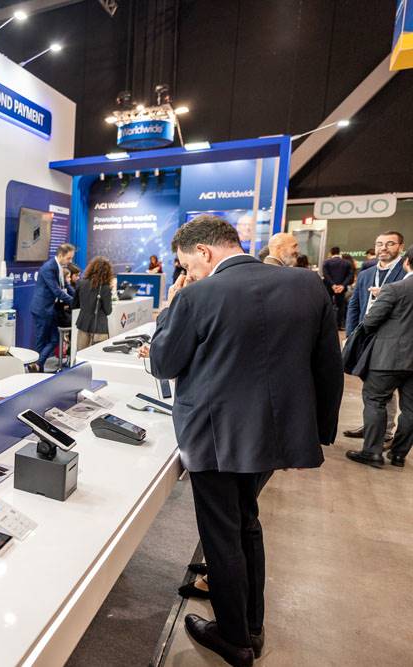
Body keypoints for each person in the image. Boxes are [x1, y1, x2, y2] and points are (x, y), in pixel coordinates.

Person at [149, 215, 342, 667]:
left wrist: (171, 307)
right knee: (246, 523)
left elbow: (163, 363)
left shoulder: (196, 295)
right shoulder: (306, 285)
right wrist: (316, 432)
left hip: (213, 437)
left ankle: (234, 638)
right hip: (275, 433)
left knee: (222, 536)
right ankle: (252, 627)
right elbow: (328, 365)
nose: (188, 273)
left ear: (203, 251)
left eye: (187, 265)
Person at [345, 251, 413, 469]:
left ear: (406, 262)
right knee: (411, 409)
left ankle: (372, 452)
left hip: (388, 357)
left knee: (375, 400)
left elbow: (370, 321)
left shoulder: (394, 289)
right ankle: (399, 454)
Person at [30, 243, 76, 371]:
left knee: (55, 339)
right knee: (41, 341)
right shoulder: (48, 268)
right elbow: (57, 291)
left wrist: (78, 298)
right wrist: (75, 302)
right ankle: (37, 370)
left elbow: (66, 287)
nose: (70, 261)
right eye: (68, 258)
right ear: (60, 255)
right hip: (42, 309)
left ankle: (37, 365)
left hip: (51, 310)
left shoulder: (59, 267)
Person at [72, 256, 113, 350]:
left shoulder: (81, 283)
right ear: (107, 272)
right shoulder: (105, 288)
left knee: (81, 354)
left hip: (83, 324)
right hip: (99, 327)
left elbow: (75, 305)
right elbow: (108, 311)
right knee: (97, 355)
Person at [322, 246, 355, 330]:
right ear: (339, 252)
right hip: (341, 288)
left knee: (328, 305)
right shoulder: (347, 263)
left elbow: (326, 275)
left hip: (329, 287)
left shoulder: (326, 262)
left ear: (331, 252)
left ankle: (328, 324)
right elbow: (350, 275)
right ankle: (339, 325)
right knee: (341, 306)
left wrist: (332, 285)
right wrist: (343, 285)